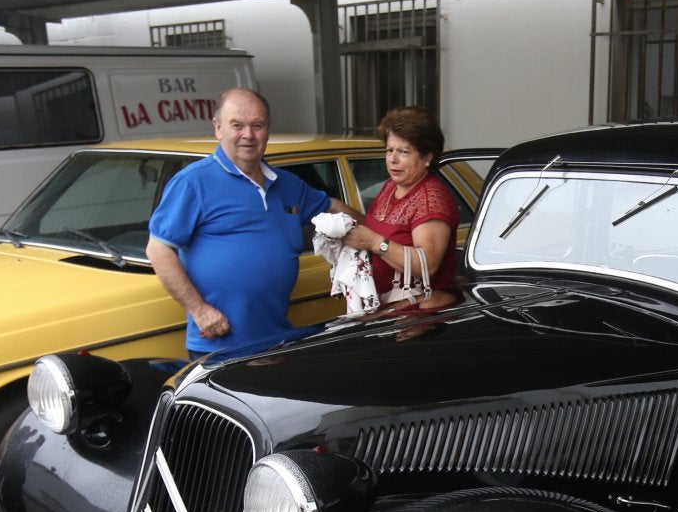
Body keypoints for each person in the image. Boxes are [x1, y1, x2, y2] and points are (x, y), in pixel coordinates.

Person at [147, 87, 359, 359]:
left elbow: (331, 207)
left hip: (278, 341)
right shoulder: (193, 182)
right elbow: (158, 249)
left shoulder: (287, 184)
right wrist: (200, 311)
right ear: (218, 128)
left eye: (257, 125)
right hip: (220, 345)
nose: (248, 135)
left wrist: (380, 233)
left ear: (267, 130)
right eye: (237, 125)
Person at [342, 106, 461, 310]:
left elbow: (428, 264)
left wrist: (372, 241)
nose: (393, 159)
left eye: (404, 152)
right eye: (389, 150)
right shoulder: (391, 187)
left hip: (417, 318)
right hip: (388, 310)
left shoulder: (431, 198)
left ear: (427, 157)